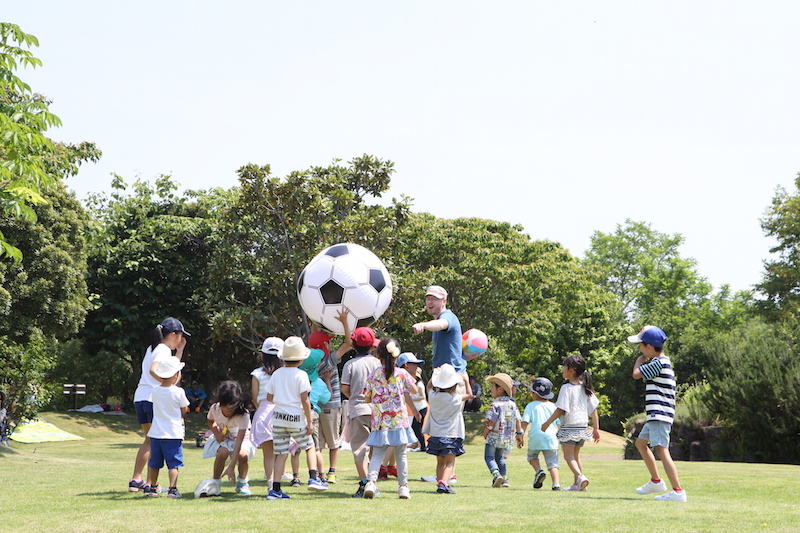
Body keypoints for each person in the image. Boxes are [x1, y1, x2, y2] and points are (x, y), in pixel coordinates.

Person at [129, 317, 189, 493]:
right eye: (180, 336)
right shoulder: (163, 350)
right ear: (173, 334)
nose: (181, 340)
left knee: (148, 440)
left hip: (141, 397)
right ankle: (149, 483)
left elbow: (172, 368)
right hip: (152, 399)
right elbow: (153, 369)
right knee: (153, 441)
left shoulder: (153, 347)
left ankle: (137, 479)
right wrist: (166, 384)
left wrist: (180, 351)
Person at [264, 336, 327, 499]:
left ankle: (275, 489)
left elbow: (269, 398)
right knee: (309, 446)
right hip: (296, 418)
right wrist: (309, 422)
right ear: (300, 359)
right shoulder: (301, 375)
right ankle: (313, 478)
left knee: (281, 453)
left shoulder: (276, 374)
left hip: (278, 419)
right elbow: (305, 400)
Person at [629, 325, 687, 502]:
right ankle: (656, 481)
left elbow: (636, 374)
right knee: (640, 443)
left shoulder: (658, 363)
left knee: (662, 450)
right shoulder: (662, 362)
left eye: (640, 345)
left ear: (648, 347)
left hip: (659, 414)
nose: (639, 348)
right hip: (656, 415)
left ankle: (678, 491)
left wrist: (640, 360)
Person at [361, 339, 421, 499]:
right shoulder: (402, 374)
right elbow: (414, 389)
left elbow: (366, 398)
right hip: (399, 420)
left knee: (378, 454)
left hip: (380, 421)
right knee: (401, 454)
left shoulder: (374, 374)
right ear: (397, 355)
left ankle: (371, 483)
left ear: (378, 354)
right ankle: (403, 487)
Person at [541, 354, 600, 491]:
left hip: (569, 426)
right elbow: (594, 410)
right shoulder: (586, 388)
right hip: (582, 426)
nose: (562, 369)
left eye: (564, 366)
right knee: (576, 456)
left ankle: (580, 477)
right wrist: (596, 428)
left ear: (571, 370)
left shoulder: (566, 388)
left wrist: (547, 423)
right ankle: (577, 485)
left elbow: (560, 409)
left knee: (568, 456)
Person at [309, 308, 352, 484]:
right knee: (334, 442)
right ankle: (332, 471)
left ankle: (321, 474)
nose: (330, 344)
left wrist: (314, 318)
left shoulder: (310, 361)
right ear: (324, 347)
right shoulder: (329, 360)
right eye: (328, 343)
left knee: (317, 444)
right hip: (332, 405)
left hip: (314, 406)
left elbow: (314, 338)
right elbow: (348, 343)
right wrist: (344, 322)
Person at [340, 327, 381, 497]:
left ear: (354, 346)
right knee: (375, 449)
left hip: (358, 408)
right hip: (378, 410)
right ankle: (372, 482)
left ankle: (364, 483)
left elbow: (345, 388)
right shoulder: (378, 363)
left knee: (359, 449)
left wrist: (355, 397)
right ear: (373, 346)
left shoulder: (350, 364)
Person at [423, 364, 472, 494]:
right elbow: (470, 394)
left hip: (436, 434)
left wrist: (434, 375)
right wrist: (466, 380)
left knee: (440, 462)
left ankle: (440, 483)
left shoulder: (433, 396)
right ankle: (444, 483)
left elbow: (428, 387)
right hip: (451, 434)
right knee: (450, 462)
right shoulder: (455, 398)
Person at [146, 356, 190, 498]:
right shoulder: (179, 392)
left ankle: (153, 487)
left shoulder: (155, 390)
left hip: (157, 432)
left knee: (154, 463)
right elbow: (184, 409)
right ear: (175, 375)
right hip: (173, 433)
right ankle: (172, 488)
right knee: (173, 463)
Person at [204, 380, 256, 496]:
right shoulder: (215, 409)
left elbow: (239, 441)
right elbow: (211, 421)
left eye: (232, 406)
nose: (229, 409)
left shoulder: (243, 414)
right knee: (223, 453)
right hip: (225, 438)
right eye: (226, 406)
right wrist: (217, 433)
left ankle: (242, 482)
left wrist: (231, 466)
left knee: (243, 455)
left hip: (241, 439)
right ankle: (215, 482)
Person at [250, 337, 283, 494]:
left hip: (263, 413)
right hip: (281, 413)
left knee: (268, 453)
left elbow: (255, 397)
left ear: (262, 356)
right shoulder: (284, 374)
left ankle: (270, 481)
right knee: (280, 452)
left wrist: (261, 409)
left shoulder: (257, 374)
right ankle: (277, 481)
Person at [520, 377, 561, 490]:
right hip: (551, 437)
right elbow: (559, 423)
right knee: (552, 462)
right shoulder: (554, 406)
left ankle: (539, 471)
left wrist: (520, 435)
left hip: (536, 436)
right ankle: (556, 484)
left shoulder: (531, 406)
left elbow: (524, 422)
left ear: (535, 393)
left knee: (532, 456)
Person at [483, 373, 522, 488]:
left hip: (494, 436)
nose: (491, 389)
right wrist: (519, 434)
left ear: (500, 389)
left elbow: (491, 422)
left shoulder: (495, 404)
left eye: (492, 386)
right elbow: (518, 419)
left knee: (489, 457)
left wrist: (485, 432)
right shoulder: (512, 404)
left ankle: (496, 475)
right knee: (500, 458)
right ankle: (504, 479)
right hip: (506, 437)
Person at [397, 352, 427, 452]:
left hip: (419, 407)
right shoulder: (402, 378)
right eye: (414, 364)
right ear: (406, 365)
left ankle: (421, 446)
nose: (416, 367)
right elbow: (409, 393)